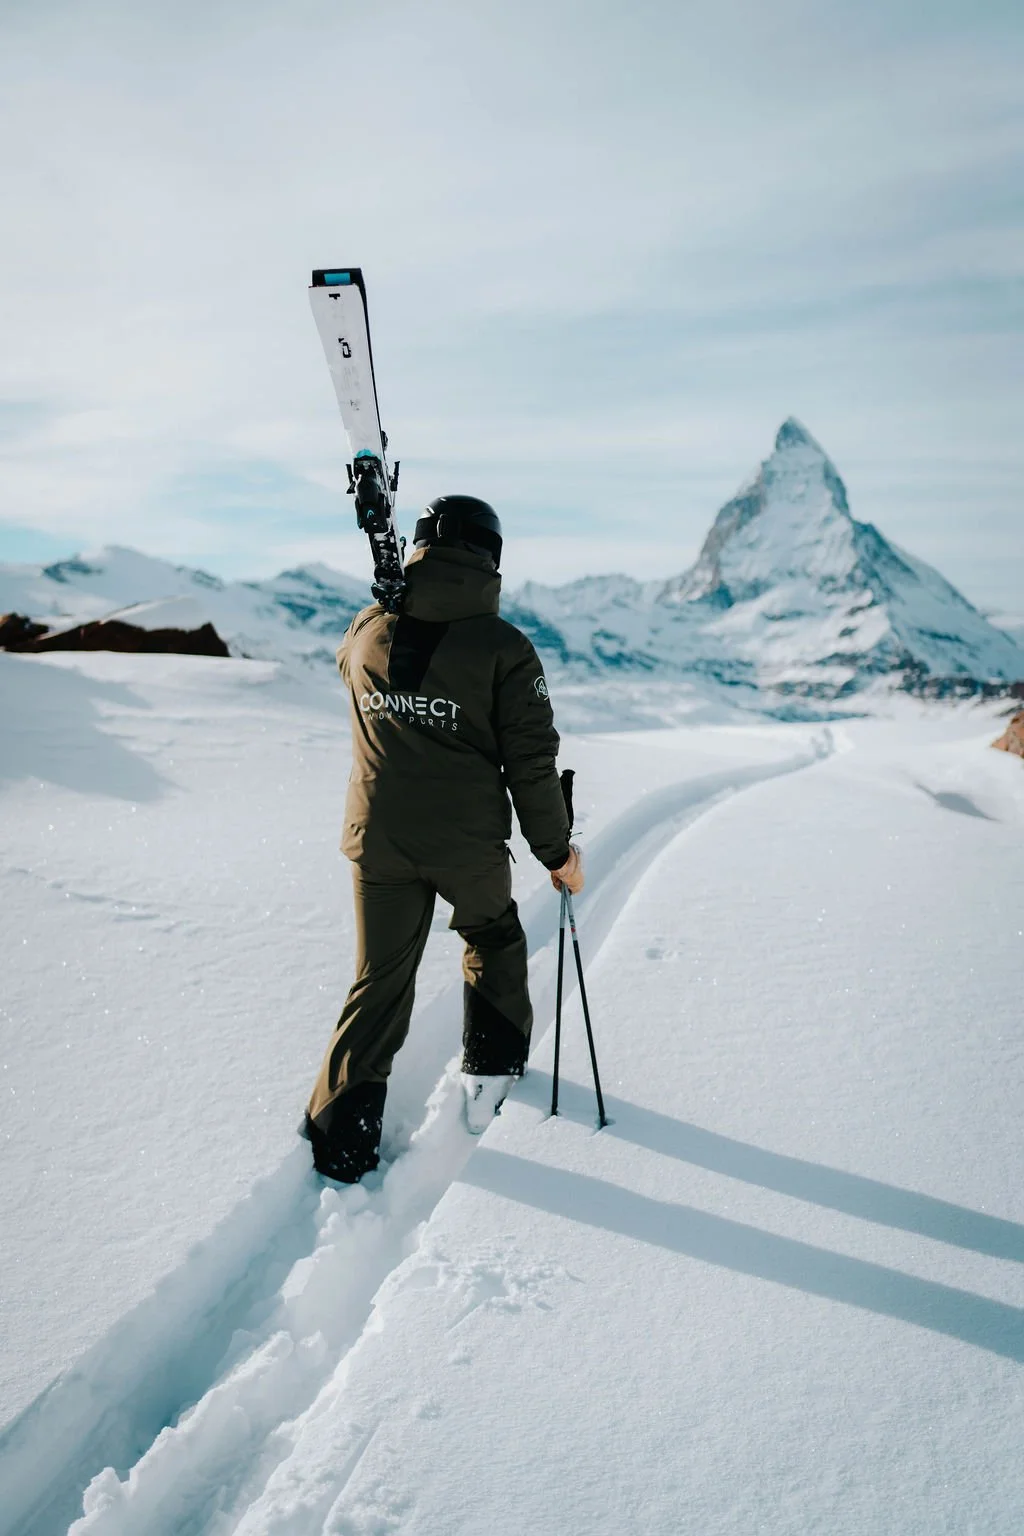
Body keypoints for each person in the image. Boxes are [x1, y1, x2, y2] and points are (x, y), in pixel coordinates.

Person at [303, 495, 584, 1182]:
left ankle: (341, 1136)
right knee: (492, 938)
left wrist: (392, 604)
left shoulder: (369, 627)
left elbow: (347, 663)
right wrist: (558, 853)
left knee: (380, 978)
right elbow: (531, 763)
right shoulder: (505, 648)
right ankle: (489, 1085)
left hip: (377, 839)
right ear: (491, 558)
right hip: (466, 845)